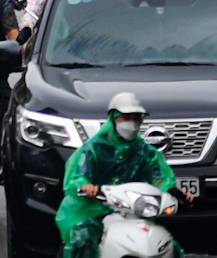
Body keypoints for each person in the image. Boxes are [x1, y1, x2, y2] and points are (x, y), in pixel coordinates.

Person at [54, 93, 177, 258]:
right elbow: (77, 177)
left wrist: (174, 192)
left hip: (133, 211)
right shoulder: (94, 149)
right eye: (126, 118)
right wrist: (86, 186)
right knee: (83, 239)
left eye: (136, 118)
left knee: (167, 245)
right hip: (93, 211)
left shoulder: (145, 151)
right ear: (113, 118)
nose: (131, 123)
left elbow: (160, 178)